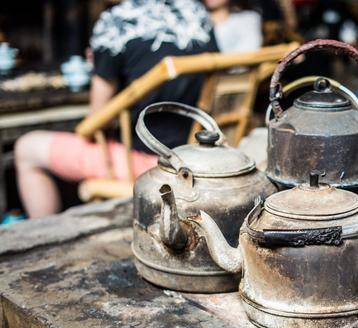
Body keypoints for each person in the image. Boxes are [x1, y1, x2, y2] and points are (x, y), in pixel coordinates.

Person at [15, 0, 219, 218]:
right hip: (199, 157)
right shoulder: (197, 15)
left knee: (26, 149)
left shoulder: (115, 23)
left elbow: (94, 123)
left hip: (150, 165)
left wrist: (100, 67)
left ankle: (42, 233)